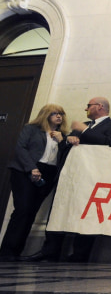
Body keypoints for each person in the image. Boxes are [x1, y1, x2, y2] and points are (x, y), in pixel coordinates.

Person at [24, 97, 111, 262]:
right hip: (71, 177)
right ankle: (50, 251)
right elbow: (65, 149)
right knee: (59, 210)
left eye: (89, 105)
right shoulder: (83, 125)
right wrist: (67, 140)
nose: (86, 109)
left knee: (87, 213)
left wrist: (84, 130)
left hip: (94, 178)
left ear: (99, 107)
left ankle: (80, 254)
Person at [0, 104, 68, 261]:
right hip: (25, 170)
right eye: (55, 113)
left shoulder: (61, 135)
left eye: (61, 114)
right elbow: (21, 148)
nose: (59, 116)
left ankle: (16, 251)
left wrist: (63, 141)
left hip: (48, 173)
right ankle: (7, 251)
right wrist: (32, 168)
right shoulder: (31, 129)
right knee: (23, 209)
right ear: (46, 115)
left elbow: (65, 156)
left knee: (31, 212)